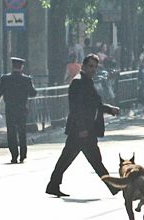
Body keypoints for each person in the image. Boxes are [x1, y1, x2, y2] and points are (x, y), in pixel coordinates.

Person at [45, 53, 121, 197]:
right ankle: (113, 186)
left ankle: (53, 184)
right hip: (81, 129)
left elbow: (95, 104)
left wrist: (109, 109)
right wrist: (82, 128)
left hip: (85, 128)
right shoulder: (78, 82)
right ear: (84, 66)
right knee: (92, 159)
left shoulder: (87, 81)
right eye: (90, 66)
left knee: (71, 158)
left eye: (95, 67)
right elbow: (76, 108)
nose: (93, 69)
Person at [0, 57, 38, 164]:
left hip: (10, 109)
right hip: (22, 109)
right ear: (21, 67)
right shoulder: (26, 79)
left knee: (11, 133)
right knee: (22, 132)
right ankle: (23, 155)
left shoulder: (5, 78)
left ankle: (14, 155)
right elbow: (33, 93)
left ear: (12, 66)